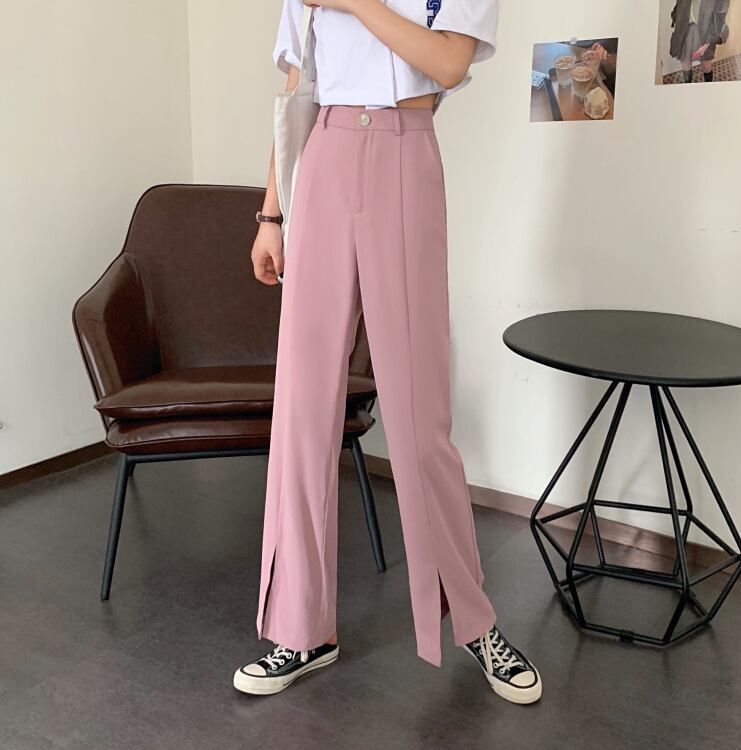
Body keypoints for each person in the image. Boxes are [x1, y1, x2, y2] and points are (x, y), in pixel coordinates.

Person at [233, 0, 542, 705]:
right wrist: (271, 213)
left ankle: (474, 622)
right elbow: (296, 91)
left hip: (406, 148)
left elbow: (449, 63)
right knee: (301, 410)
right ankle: (301, 629)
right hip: (324, 154)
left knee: (419, 417)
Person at [670, 0, 731, 82]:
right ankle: (688, 87)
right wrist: (675, 19)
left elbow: (719, 19)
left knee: (706, 65)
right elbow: (679, 6)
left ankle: (708, 87)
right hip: (685, 31)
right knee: (685, 63)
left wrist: (707, 44)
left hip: (706, 33)